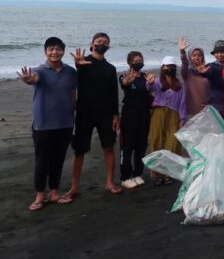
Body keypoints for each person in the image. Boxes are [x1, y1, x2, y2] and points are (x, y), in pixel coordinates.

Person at [17, 37, 78, 211]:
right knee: (42, 161)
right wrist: (28, 79)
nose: (55, 52)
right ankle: (39, 196)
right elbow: (33, 79)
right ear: (45, 52)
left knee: (58, 160)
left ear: (63, 52)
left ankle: (54, 193)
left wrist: (74, 109)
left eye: (58, 49)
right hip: (43, 125)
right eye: (51, 49)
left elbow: (73, 92)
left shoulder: (70, 71)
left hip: (65, 123)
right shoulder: (39, 71)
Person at [69, 32, 121, 197]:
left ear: (108, 47)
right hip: (85, 113)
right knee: (80, 150)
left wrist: (116, 115)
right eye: (99, 41)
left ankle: (109, 182)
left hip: (106, 114)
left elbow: (114, 93)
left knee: (109, 147)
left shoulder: (111, 69)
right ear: (91, 44)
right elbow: (73, 85)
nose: (102, 44)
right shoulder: (83, 64)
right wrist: (78, 65)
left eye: (105, 42)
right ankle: (75, 186)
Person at [118, 51, 154, 189]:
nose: (138, 62)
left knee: (141, 144)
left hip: (144, 113)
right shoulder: (125, 75)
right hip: (129, 113)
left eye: (140, 59)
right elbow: (124, 83)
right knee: (127, 145)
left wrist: (151, 86)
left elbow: (151, 95)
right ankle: (125, 177)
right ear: (129, 62)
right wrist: (126, 82)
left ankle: (137, 173)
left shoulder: (146, 77)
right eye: (135, 60)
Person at [149, 56, 187, 185]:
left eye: (171, 66)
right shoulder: (158, 82)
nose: (169, 68)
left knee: (172, 144)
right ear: (162, 67)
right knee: (157, 141)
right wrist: (149, 83)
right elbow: (150, 88)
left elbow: (183, 102)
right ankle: (158, 174)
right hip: (158, 113)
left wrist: (182, 119)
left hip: (174, 114)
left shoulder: (180, 85)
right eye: (167, 66)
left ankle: (168, 173)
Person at [179, 36, 210, 117]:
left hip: (205, 113)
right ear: (190, 57)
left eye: (199, 55)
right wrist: (182, 51)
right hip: (189, 113)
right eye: (194, 55)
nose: (196, 58)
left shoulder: (208, 71)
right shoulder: (186, 73)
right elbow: (184, 63)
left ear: (203, 57)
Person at [199, 40, 224, 115]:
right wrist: (203, 73)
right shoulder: (211, 66)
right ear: (214, 54)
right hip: (215, 104)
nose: (219, 55)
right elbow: (208, 73)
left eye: (222, 52)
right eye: (217, 52)